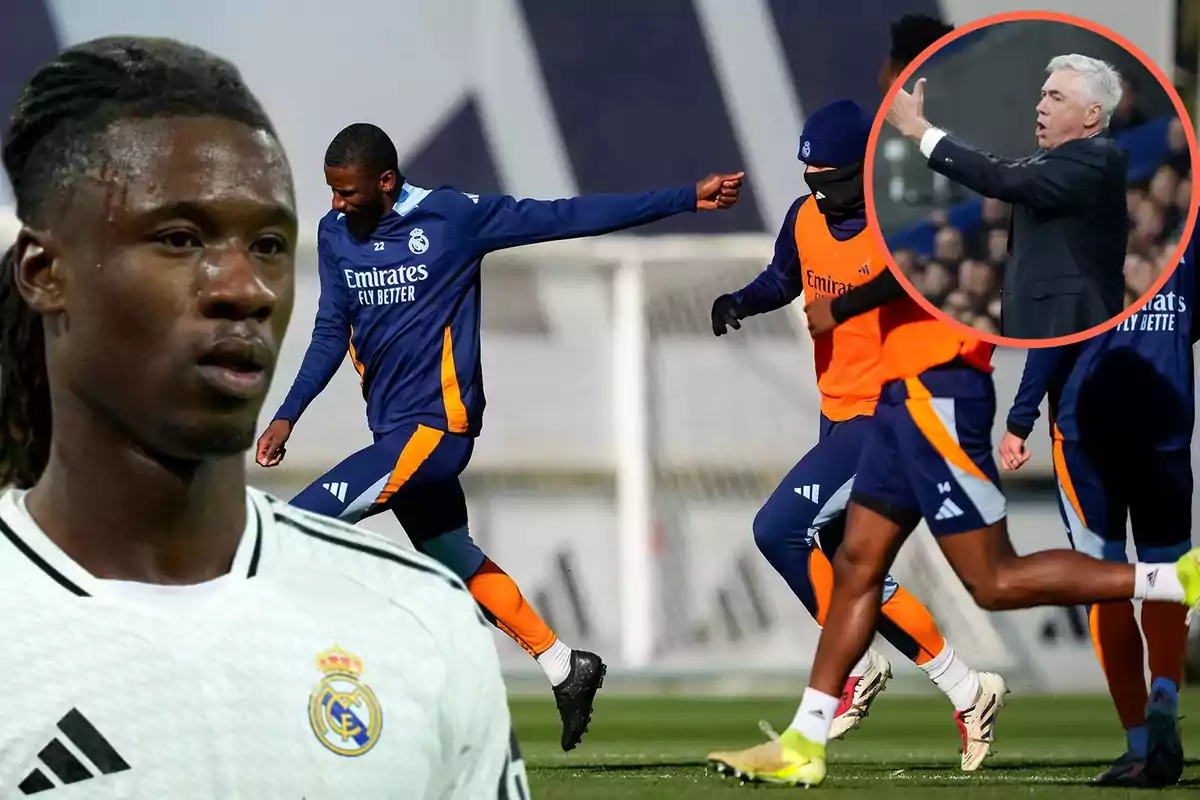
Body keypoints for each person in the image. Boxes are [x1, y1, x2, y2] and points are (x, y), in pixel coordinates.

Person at [0, 37, 527, 797]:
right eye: (181, 239)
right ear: (47, 275)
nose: (245, 287)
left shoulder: (419, 623)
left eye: (270, 243)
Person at [255, 121, 744, 751]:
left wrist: (683, 197)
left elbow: (569, 215)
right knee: (452, 552)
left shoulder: (454, 219)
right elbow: (331, 329)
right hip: (393, 432)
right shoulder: (335, 234)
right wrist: (289, 413)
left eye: (347, 192)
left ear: (385, 181)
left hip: (438, 430)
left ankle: (280, 677)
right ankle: (565, 666)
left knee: (296, 526)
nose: (335, 205)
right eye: (330, 192)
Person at [706, 220, 1200, 787]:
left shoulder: (984, 201)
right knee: (857, 567)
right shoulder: (912, 189)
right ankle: (806, 738)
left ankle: (1173, 581)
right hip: (896, 394)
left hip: (940, 392)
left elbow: (921, 275)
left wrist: (841, 309)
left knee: (994, 580)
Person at [704, 98, 1000, 773]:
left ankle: (854, 670)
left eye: (829, 177)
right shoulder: (807, 217)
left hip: (887, 412)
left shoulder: (903, 227)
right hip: (835, 411)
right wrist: (741, 302)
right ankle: (966, 688)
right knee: (856, 574)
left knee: (778, 528)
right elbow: (785, 277)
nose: (816, 191)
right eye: (808, 178)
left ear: (862, 170)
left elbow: (938, 285)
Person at [1000, 235, 1197, 788]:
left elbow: (1049, 340)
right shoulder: (1182, 243)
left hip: (1086, 435)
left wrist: (1018, 419)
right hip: (1163, 431)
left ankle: (1138, 743)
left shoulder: (1072, 244)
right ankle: (1165, 690)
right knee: (1165, 571)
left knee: (1102, 578)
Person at [886, 54, 1129, 340]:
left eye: (1057, 98)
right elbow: (1005, 172)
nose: (1040, 107)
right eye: (1043, 95)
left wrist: (921, 133)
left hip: (1072, 334)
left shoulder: (1097, 158)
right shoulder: (1053, 157)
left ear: (1092, 114)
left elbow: (1003, 177)